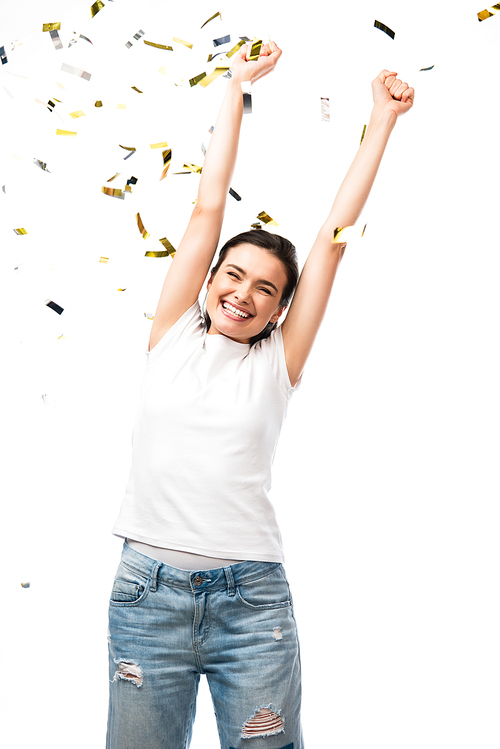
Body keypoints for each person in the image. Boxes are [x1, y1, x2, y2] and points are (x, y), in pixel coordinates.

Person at [106, 39, 415, 749]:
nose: (243, 294)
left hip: (253, 604)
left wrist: (382, 120)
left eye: (266, 288)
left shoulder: (279, 361)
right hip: (146, 596)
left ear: (280, 309)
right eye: (232, 275)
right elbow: (207, 205)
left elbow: (332, 242)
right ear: (209, 278)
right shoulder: (172, 334)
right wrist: (236, 85)